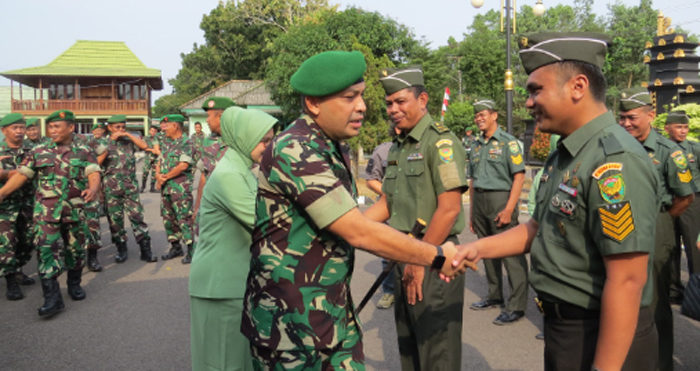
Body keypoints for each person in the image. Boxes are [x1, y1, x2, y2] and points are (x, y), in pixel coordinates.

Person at [242, 51, 469, 370]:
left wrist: (419, 254)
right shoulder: (296, 148)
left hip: (328, 314)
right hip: (293, 326)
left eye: (361, 96)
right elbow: (357, 228)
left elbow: (440, 207)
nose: (363, 106)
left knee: (434, 352)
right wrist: (436, 256)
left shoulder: (328, 146)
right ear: (314, 104)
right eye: (350, 97)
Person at [454, 32, 659, 371]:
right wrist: (477, 249)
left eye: (536, 90)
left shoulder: (615, 160)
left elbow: (627, 280)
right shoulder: (567, 153)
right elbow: (538, 227)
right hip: (566, 330)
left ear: (578, 86)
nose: (529, 103)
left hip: (603, 334)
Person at [367, 66, 469, 371]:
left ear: (422, 99)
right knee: (409, 348)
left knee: (436, 353)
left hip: (434, 257)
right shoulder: (398, 146)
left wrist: (418, 259)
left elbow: (449, 209)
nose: (393, 110)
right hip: (403, 256)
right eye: (388, 104)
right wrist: (349, 229)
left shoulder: (441, 144)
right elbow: (388, 203)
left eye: (400, 101)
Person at [189, 106, 277, 371]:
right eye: (264, 140)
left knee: (238, 362)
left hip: (234, 284)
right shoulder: (230, 176)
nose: (269, 147)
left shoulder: (243, 172)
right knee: (222, 364)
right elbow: (268, 224)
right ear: (245, 138)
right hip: (220, 287)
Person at [619, 89, 695, 371]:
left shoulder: (669, 152)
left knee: (656, 302)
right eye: (622, 117)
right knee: (624, 293)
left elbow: (685, 198)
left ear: (651, 116)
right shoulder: (618, 146)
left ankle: (661, 363)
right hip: (621, 226)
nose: (626, 123)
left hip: (655, 225)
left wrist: (659, 220)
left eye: (632, 117)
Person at [0, 110, 102, 317]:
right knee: (46, 250)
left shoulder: (83, 150)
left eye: (57, 126)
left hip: (74, 211)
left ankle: (74, 284)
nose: (52, 130)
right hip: (46, 212)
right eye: (50, 127)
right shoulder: (38, 151)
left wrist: (92, 189)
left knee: (74, 251)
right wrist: (1, 193)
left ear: (70, 127)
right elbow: (22, 175)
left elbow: (93, 171)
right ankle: (52, 297)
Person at [468, 98, 529, 325]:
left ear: (494, 116)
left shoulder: (508, 143)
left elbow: (519, 176)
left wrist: (509, 208)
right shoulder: (475, 145)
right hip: (481, 200)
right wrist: (473, 211)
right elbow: (473, 180)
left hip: (501, 200)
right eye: (476, 116)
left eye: (483, 114)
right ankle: (494, 295)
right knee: (486, 251)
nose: (479, 119)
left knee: (510, 254)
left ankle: (517, 305)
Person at [100, 114, 157, 264]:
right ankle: (121, 250)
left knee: (138, 218)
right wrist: (110, 142)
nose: (120, 130)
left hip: (130, 188)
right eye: (117, 127)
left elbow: (145, 147)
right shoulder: (102, 143)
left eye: (123, 127)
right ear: (109, 128)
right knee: (115, 221)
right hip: (111, 190)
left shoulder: (128, 141)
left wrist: (127, 134)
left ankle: (146, 250)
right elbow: (97, 162)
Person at [664, 110, 700, 305]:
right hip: (669, 201)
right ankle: (673, 289)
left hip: (692, 202)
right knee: (670, 247)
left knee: (694, 248)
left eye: (685, 127)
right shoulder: (662, 149)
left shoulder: (695, 149)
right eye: (679, 127)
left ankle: (696, 289)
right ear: (667, 128)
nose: (683, 131)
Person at [0, 114, 36, 300]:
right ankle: (11, 281)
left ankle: (18, 269)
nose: (20, 131)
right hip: (5, 206)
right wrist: (18, 172)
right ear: (3, 130)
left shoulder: (32, 150)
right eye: (15, 128)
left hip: (28, 204)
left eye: (22, 127)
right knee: (7, 244)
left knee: (27, 241)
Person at [364, 123, 399, 309]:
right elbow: (370, 180)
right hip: (387, 210)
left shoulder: (419, 149)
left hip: (412, 210)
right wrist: (389, 194)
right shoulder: (382, 151)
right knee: (388, 253)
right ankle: (389, 291)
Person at [156, 114, 196, 264]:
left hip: (180, 189)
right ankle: (175, 247)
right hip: (166, 189)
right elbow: (159, 161)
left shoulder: (187, 142)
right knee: (168, 219)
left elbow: (183, 165)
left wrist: (164, 177)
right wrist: (158, 176)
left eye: (167, 125)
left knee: (184, 219)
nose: (164, 128)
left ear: (175, 126)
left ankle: (191, 250)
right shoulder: (167, 142)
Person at [192, 97, 236, 229]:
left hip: (232, 208)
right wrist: (197, 207)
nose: (207, 120)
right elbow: (204, 176)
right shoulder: (208, 141)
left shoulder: (241, 140)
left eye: (209, 116)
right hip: (209, 207)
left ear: (221, 116)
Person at [142, 126, 159, 193]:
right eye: (152, 131)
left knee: (154, 173)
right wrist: (151, 150)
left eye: (155, 131)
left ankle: (152, 188)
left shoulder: (158, 139)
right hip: (148, 158)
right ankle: (142, 187)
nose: (153, 132)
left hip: (156, 158)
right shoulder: (146, 138)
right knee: (145, 172)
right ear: (149, 131)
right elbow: (142, 147)